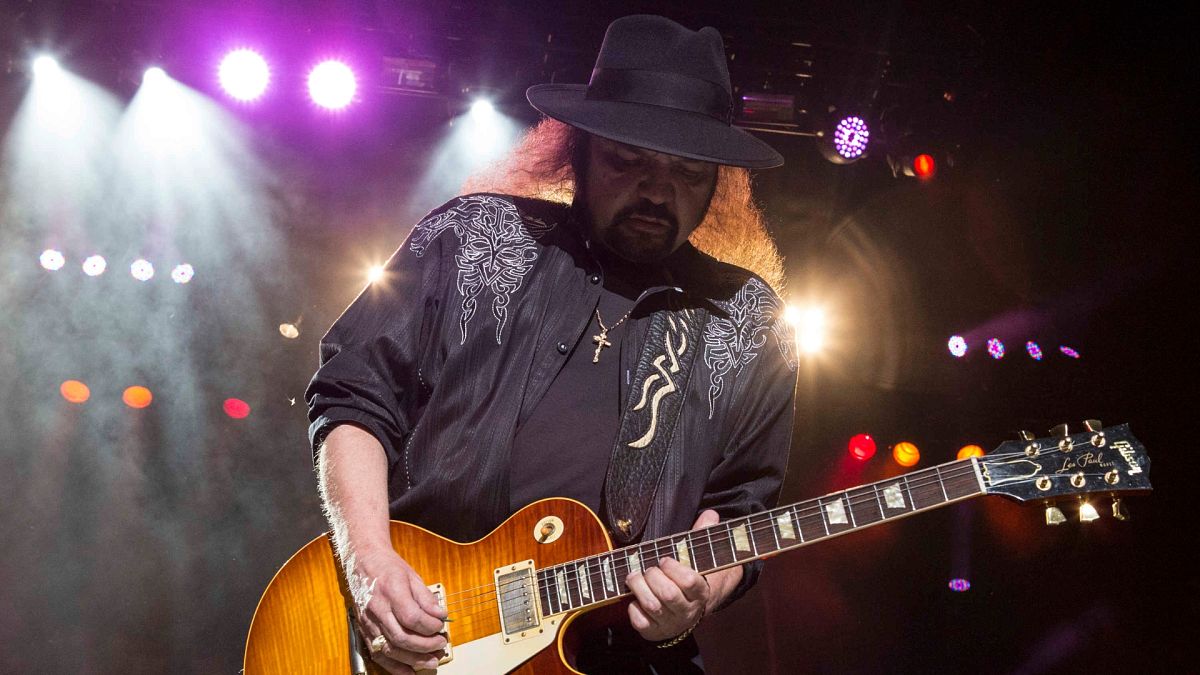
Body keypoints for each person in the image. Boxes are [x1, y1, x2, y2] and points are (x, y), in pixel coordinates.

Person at [306, 14, 797, 674]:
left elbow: (738, 510)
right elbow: (353, 398)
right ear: (582, 150)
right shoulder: (473, 238)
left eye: (687, 172)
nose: (658, 191)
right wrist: (368, 564)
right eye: (629, 161)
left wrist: (702, 591)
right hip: (415, 633)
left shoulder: (747, 319)